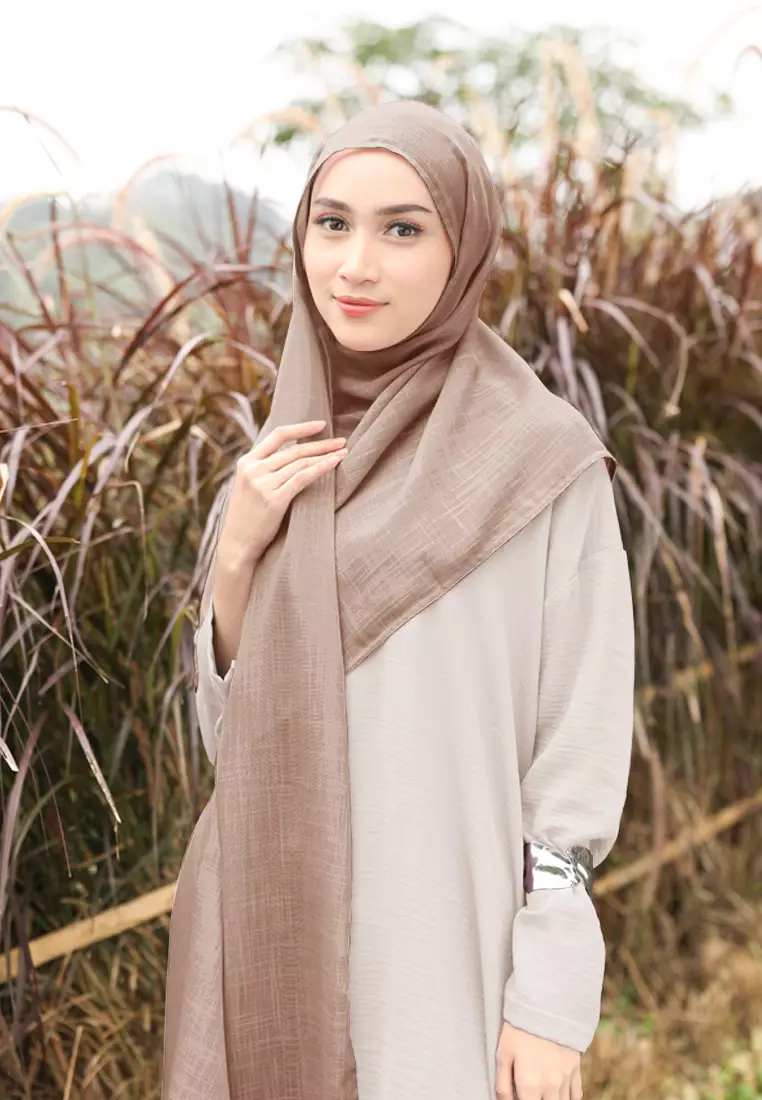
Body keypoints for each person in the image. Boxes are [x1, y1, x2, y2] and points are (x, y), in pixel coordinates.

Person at [162, 100, 635, 1100]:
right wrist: (237, 555)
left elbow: (579, 741)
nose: (356, 265)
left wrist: (549, 995)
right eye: (331, 223)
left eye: (403, 229)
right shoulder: (282, 460)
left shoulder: (540, 461)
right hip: (267, 927)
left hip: (446, 947)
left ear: (463, 249)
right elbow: (228, 745)